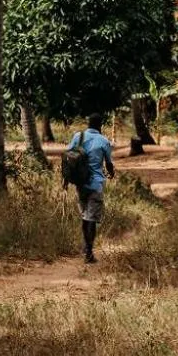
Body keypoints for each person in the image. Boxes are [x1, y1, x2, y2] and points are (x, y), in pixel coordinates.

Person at [67, 113, 115, 264]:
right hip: (95, 184)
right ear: (100, 125)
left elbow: (68, 156)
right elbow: (108, 163)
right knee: (91, 219)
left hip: (80, 184)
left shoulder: (78, 137)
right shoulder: (103, 141)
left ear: (88, 124)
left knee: (85, 216)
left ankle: (86, 247)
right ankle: (88, 252)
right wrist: (111, 173)